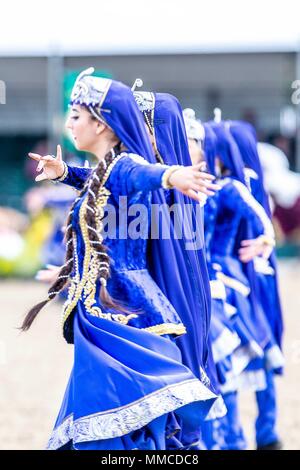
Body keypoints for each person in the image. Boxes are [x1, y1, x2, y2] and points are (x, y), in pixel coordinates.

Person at [21, 68, 219, 450]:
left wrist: (173, 175)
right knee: (117, 423)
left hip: (124, 311)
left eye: (77, 116)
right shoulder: (108, 171)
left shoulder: (127, 167)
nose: (69, 124)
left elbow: (140, 174)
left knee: (122, 426)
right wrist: (64, 173)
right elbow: (102, 179)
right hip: (104, 310)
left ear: (103, 123)